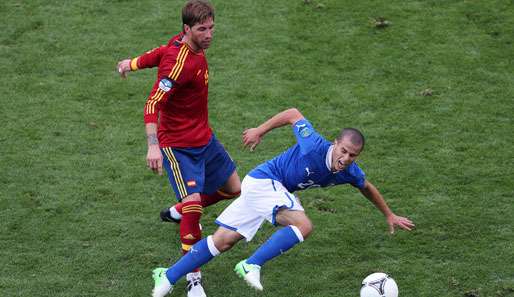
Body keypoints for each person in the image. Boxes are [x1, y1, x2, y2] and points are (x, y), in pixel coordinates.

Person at [150, 108, 415, 297]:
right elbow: (292, 113)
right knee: (303, 225)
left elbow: (366, 187)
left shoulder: (349, 171)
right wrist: (259, 131)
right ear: (335, 144)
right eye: (343, 150)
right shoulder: (313, 144)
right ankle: (251, 264)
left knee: (223, 241)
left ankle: (168, 275)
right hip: (265, 181)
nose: (345, 158)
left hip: (265, 191)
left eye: (352, 155)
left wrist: (389, 215)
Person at [116, 1, 241, 297]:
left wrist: (130, 63)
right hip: (178, 145)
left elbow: (159, 52)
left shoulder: (186, 45)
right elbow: (151, 104)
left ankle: (178, 210)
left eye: (211, 27)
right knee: (195, 205)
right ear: (188, 29)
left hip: (204, 139)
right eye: (202, 29)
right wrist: (153, 147)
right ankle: (192, 279)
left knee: (234, 189)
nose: (209, 34)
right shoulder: (179, 64)